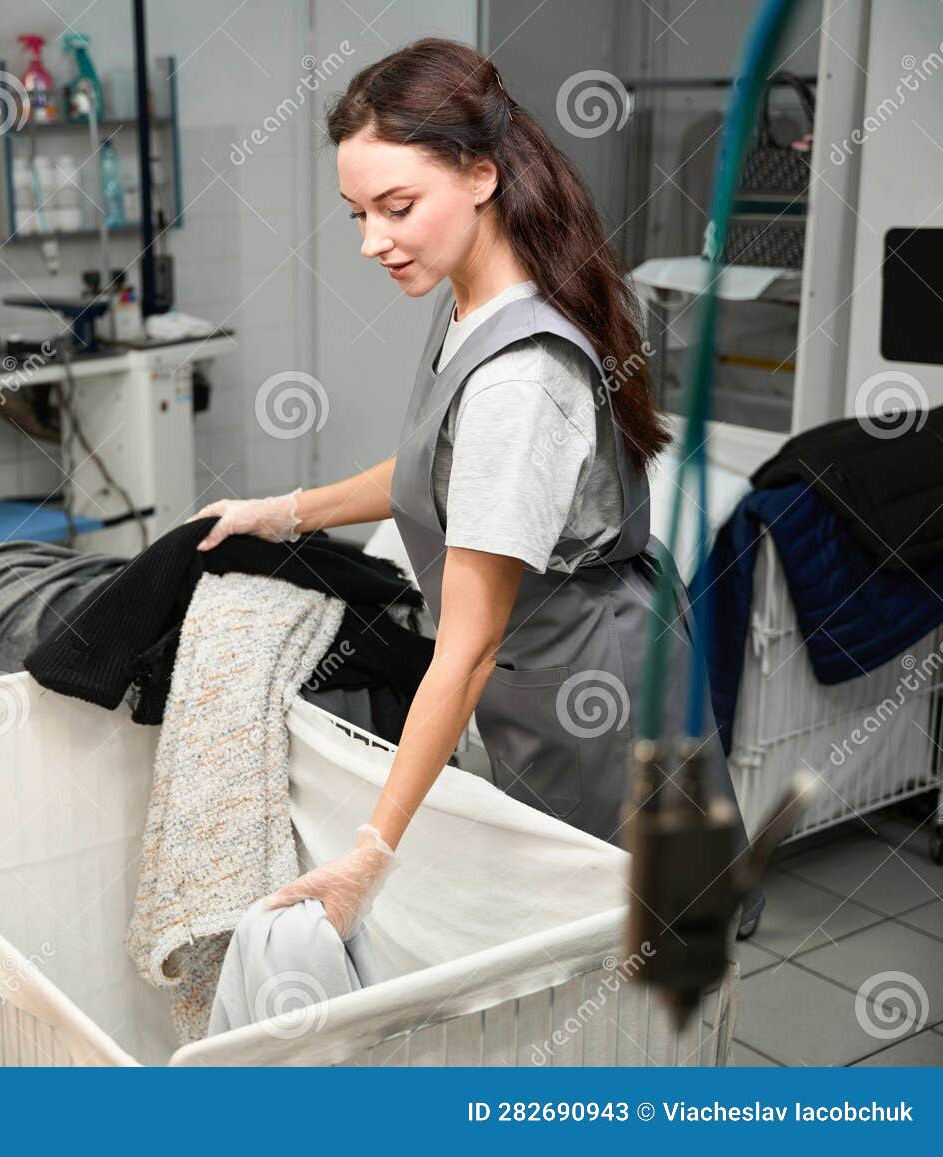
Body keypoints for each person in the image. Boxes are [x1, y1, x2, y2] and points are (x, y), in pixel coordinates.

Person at [193, 38, 760, 941]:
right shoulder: (469, 306)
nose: (374, 240)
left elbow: (466, 645)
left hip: (588, 690)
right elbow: (434, 471)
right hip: (548, 672)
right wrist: (280, 514)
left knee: (620, 952)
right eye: (357, 214)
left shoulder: (519, 379)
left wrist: (369, 854)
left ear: (482, 176)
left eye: (398, 206)